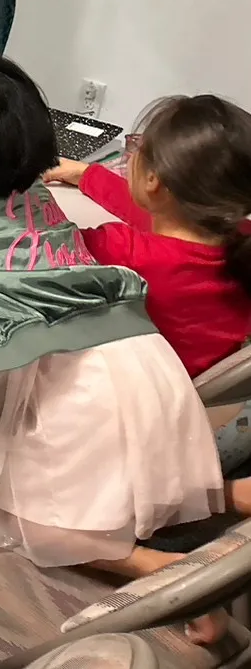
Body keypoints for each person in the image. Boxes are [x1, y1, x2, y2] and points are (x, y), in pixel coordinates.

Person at [0, 52, 245, 639]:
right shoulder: (32, 190)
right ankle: (217, 499)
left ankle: (170, 573)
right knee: (109, 473)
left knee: (9, 514)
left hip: (77, 377)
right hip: (142, 353)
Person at [46, 95, 251, 469]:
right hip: (187, 400)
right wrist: (82, 173)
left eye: (137, 146)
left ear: (155, 180)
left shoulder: (124, 252)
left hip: (122, 408)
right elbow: (152, 213)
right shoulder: (238, 238)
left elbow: (33, 241)